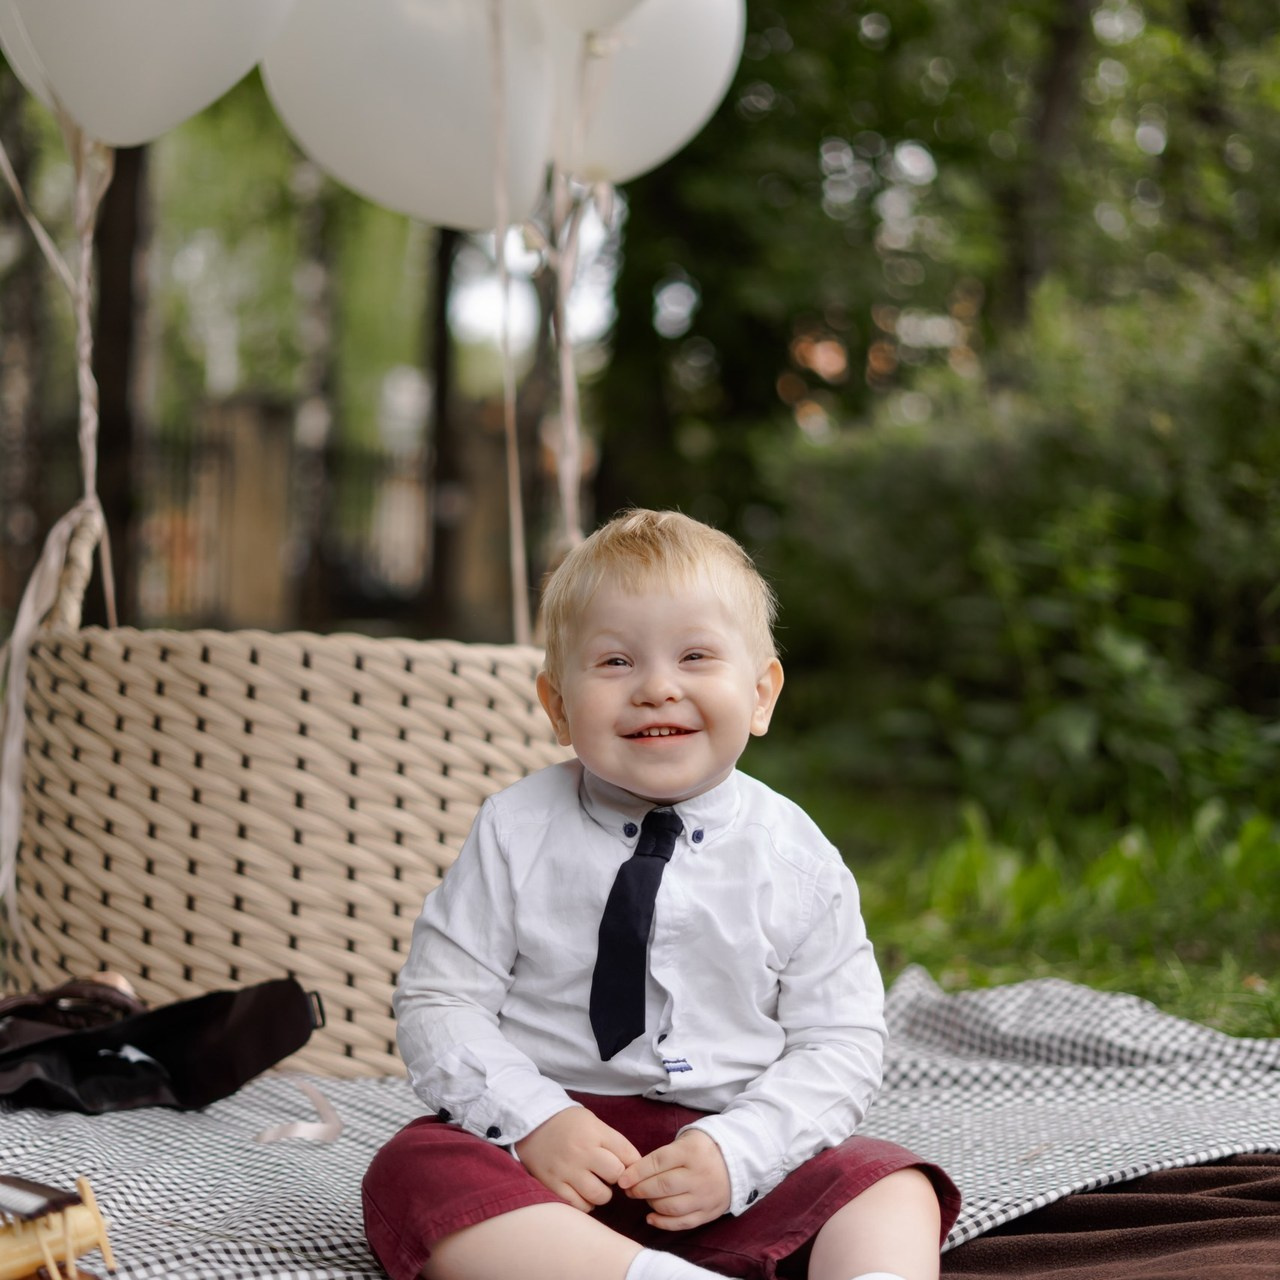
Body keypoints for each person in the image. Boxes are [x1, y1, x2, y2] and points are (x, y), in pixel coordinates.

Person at [363, 509, 960, 1280]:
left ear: (761, 694)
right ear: (557, 706)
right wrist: (535, 1120)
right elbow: (440, 1001)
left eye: (695, 656)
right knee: (413, 1169)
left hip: (734, 1161)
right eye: (615, 661)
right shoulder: (515, 831)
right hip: (553, 1166)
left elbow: (840, 1041)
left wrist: (739, 1150)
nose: (656, 688)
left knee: (891, 1183)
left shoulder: (796, 857)